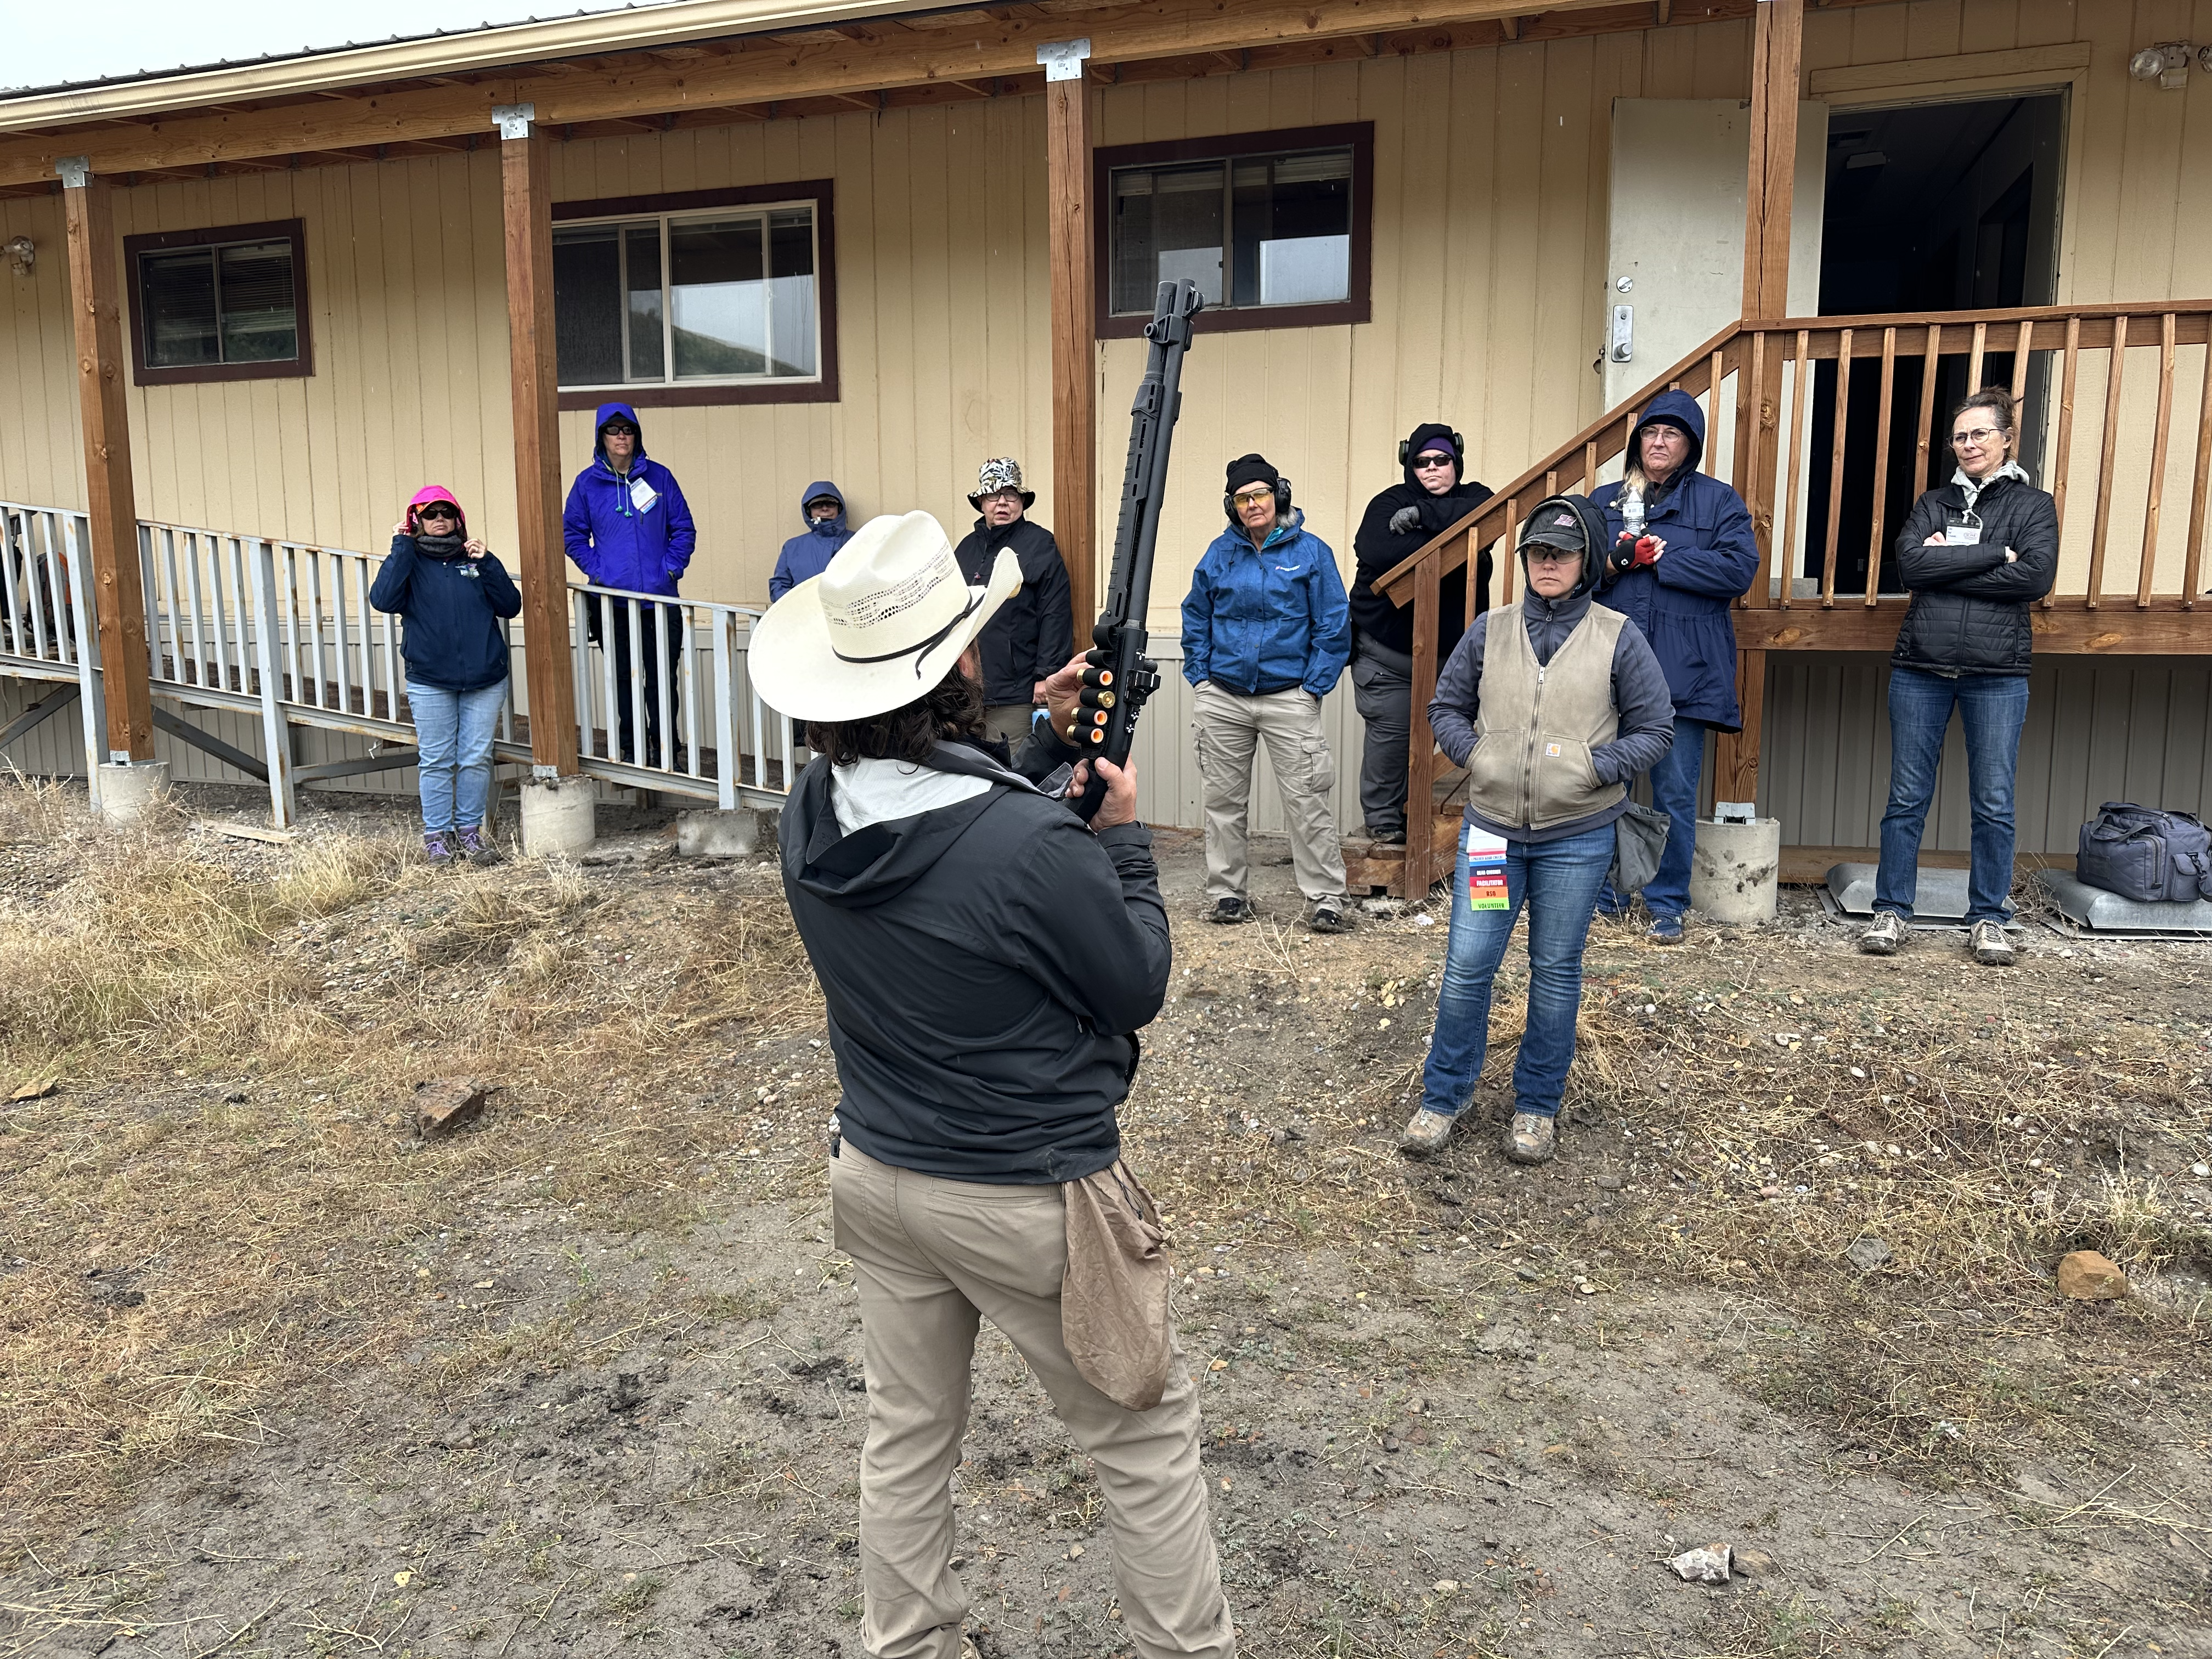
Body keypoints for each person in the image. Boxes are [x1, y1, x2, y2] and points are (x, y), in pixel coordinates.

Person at [747, 510, 1235, 1659]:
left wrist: (1044, 742)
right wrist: (1122, 843)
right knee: (1143, 1437)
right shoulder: (1028, 846)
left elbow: (943, 822)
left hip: (878, 1170)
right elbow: (1133, 983)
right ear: (960, 665)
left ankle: (909, 1641)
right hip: (1027, 1189)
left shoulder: (810, 813)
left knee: (907, 1432)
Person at [1400, 496, 1675, 1166]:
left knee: (1554, 971)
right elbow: (1445, 706)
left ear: (1589, 561)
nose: (1548, 564)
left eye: (1563, 553)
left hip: (1576, 836)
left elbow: (1656, 729)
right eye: (1538, 553)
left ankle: (1537, 1105)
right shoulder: (1489, 630)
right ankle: (1444, 1097)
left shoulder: (1619, 636)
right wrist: (1479, 756)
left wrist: (1592, 767)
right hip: (1493, 833)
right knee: (1468, 967)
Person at [1861, 386, 2058, 968]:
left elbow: (2035, 579)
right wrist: (1998, 554)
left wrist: (1946, 563)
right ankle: (1891, 910)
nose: (1968, 444)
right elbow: (1910, 565)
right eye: (1960, 437)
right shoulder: (1934, 502)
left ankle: (1989, 917)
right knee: (1906, 798)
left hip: (1997, 673)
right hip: (1921, 666)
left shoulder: (2034, 505)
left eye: (1979, 434)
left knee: (1993, 801)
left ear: (2006, 440)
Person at [1588, 390, 1759, 944]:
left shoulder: (1719, 501)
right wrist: (1617, 560)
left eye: (1672, 434)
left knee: (1675, 794)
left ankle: (1666, 903)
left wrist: (1667, 558)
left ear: (1691, 446)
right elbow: (1575, 573)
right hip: (1609, 670)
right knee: (1603, 787)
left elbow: (1739, 572)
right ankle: (1606, 895)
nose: (1658, 443)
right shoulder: (1606, 501)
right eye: (1650, 433)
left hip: (1683, 673)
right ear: (1637, 442)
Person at [1181, 453, 1354, 933]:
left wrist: (1313, 688)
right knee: (1223, 803)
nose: (1252, 504)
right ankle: (1227, 893)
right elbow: (1196, 615)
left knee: (1307, 803)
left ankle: (1327, 899)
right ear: (1232, 506)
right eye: (1242, 498)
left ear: (1279, 495)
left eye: (1259, 494)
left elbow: (1334, 623)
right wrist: (1200, 677)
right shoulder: (1219, 553)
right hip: (1224, 697)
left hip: (1288, 696)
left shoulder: (1312, 552)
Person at [1348, 424, 1494, 844]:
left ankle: (1452, 824)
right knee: (1392, 741)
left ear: (1456, 462)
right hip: (1388, 658)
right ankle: (1384, 824)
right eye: (1422, 461)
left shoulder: (1477, 497)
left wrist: (1425, 518)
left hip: (1454, 661)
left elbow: (1490, 512)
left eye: (1442, 459)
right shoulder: (1388, 503)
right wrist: (1458, 536)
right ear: (1409, 466)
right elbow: (1380, 549)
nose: (1432, 468)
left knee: (1458, 739)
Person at [370, 487, 521, 866]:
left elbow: (510, 605)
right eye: (430, 513)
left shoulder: (475, 561)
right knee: (437, 760)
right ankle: (437, 838)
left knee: (475, 758)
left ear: (458, 519)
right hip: (430, 679)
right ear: (416, 521)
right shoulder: (408, 560)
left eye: (447, 512)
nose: (440, 518)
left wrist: (489, 562)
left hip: (485, 678)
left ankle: (470, 834)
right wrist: (400, 547)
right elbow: (383, 600)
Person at [561, 403, 697, 767]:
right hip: (613, 603)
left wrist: (669, 570)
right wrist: (600, 572)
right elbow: (572, 536)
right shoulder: (586, 484)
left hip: (660, 601)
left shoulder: (660, 477)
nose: (621, 436)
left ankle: (666, 753)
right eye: (613, 429)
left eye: (628, 429)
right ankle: (632, 750)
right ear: (601, 437)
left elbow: (683, 529)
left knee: (662, 680)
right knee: (623, 678)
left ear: (637, 435)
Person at [951, 458, 1074, 748]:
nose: (1003, 503)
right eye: (993, 495)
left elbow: (1055, 613)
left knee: (1014, 767)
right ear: (981, 502)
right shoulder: (965, 549)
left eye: (1011, 494)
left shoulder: (1039, 544)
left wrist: (1046, 676)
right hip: (966, 693)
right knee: (969, 767)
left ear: (1021, 501)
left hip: (1015, 695)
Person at [768, 481, 854, 602]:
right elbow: (779, 585)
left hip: (850, 612)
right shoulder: (792, 547)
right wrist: (798, 605)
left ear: (839, 508)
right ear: (809, 511)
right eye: (817, 505)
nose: (825, 509)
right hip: (803, 612)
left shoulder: (859, 540)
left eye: (830, 504)